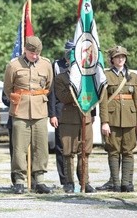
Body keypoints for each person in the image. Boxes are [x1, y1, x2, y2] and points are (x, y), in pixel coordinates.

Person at [4, 36, 53, 194]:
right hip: (20, 111)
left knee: (41, 147)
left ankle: (39, 180)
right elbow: (8, 88)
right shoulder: (14, 65)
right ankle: (19, 180)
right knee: (19, 148)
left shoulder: (46, 64)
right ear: (25, 49)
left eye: (37, 52)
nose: (35, 55)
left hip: (40, 111)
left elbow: (49, 85)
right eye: (32, 52)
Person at [99, 46, 137, 192]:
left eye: (123, 56)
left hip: (130, 119)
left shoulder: (133, 76)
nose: (121, 59)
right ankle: (115, 183)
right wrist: (104, 122)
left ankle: (126, 183)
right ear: (112, 59)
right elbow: (103, 101)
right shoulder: (106, 75)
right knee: (113, 151)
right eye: (118, 57)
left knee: (128, 151)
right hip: (112, 119)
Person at [53, 53, 96, 193]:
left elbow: (91, 96)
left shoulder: (87, 78)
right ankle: (69, 182)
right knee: (68, 151)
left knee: (85, 152)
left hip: (85, 117)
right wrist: (76, 86)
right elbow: (64, 97)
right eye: (72, 60)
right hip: (69, 119)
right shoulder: (60, 78)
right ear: (67, 61)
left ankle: (85, 181)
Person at [48, 40, 75, 187]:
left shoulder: (83, 65)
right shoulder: (57, 65)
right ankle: (65, 180)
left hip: (78, 112)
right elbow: (52, 92)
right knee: (62, 147)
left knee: (78, 147)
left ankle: (82, 179)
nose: (70, 54)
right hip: (61, 111)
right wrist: (52, 114)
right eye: (69, 51)